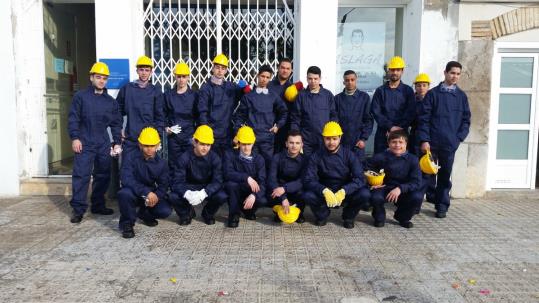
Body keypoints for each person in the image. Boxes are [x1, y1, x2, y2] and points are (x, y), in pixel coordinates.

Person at [67, 62, 122, 223]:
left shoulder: (110, 102)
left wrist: (116, 142)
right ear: (91, 77)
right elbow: (73, 119)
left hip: (103, 142)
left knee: (103, 175)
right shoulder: (80, 97)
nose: (101, 81)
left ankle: (98, 205)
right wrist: (75, 137)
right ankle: (78, 209)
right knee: (81, 175)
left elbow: (116, 123)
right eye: (98, 77)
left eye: (104, 78)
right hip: (84, 141)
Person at [417, 61, 471, 218]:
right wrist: (424, 140)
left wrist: (458, 139)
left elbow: (466, 121)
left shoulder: (461, 97)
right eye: (452, 73)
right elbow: (423, 119)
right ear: (445, 73)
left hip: (449, 144)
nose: (455, 76)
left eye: (458, 74)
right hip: (431, 144)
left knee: (444, 176)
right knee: (426, 174)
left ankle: (441, 205)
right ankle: (415, 204)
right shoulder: (433, 94)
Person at [303, 121, 370, 228]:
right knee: (307, 195)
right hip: (325, 192)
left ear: (340, 138)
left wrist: (344, 190)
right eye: (328, 139)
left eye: (334, 139)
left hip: (344, 192)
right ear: (323, 138)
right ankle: (322, 214)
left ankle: (348, 216)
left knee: (364, 194)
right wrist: (323, 190)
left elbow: (360, 178)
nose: (331, 142)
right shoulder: (316, 155)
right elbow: (308, 179)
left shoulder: (349, 155)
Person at [117, 127, 172, 238]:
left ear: (157, 145)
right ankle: (127, 224)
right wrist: (146, 192)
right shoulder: (130, 158)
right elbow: (126, 178)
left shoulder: (162, 164)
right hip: (133, 192)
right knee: (124, 193)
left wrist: (156, 196)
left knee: (165, 210)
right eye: (146, 146)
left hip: (149, 196)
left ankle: (145, 214)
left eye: (152, 146)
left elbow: (163, 185)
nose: (149, 149)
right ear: (140, 145)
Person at [169, 125, 227, 226]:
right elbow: (177, 181)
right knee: (173, 196)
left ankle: (207, 214)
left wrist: (205, 192)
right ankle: (186, 214)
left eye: (208, 145)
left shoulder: (215, 158)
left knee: (221, 195)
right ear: (195, 142)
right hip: (189, 186)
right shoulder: (184, 158)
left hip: (206, 186)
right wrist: (186, 193)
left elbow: (218, 181)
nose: (205, 148)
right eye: (202, 144)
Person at [233, 64, 288, 168]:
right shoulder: (248, 97)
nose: (264, 79)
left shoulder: (273, 96)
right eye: (262, 76)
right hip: (251, 139)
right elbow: (240, 116)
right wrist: (238, 133)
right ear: (257, 76)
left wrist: (278, 126)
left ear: (270, 79)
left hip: (267, 138)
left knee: (268, 166)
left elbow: (284, 111)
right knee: (250, 166)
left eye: (267, 77)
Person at [367, 130, 422, 228]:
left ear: (406, 144)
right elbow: (366, 169)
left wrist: (400, 188)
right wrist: (372, 182)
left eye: (401, 142)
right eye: (394, 142)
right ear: (388, 143)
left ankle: (402, 217)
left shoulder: (413, 160)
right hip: (384, 187)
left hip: (403, 190)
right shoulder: (380, 157)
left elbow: (417, 182)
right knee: (375, 196)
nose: (397, 145)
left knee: (417, 196)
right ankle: (379, 217)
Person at [117, 55, 165, 167]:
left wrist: (158, 137)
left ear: (151, 72)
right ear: (137, 71)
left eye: (147, 70)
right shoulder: (127, 89)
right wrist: (119, 129)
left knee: (148, 171)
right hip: (131, 139)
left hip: (149, 141)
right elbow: (117, 110)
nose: (144, 73)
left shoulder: (155, 91)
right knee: (128, 170)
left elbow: (160, 116)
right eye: (141, 70)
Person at [198, 54, 246, 156]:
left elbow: (246, 97)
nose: (220, 71)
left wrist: (245, 88)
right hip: (211, 135)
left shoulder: (231, 87)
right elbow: (202, 112)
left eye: (223, 68)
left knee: (226, 164)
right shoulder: (206, 88)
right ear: (212, 68)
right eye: (217, 67)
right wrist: (206, 132)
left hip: (226, 134)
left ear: (226, 70)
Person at [370, 56, 415, 153]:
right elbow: (376, 111)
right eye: (392, 70)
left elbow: (410, 112)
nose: (395, 72)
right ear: (388, 71)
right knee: (380, 164)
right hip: (383, 134)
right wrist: (390, 127)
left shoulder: (408, 91)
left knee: (401, 165)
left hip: (402, 135)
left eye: (398, 70)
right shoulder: (380, 91)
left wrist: (397, 129)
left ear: (402, 71)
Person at [224, 126, 267, 228]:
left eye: (249, 144)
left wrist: (254, 195)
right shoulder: (229, 154)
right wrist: (246, 177)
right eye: (243, 144)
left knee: (263, 200)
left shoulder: (259, 159)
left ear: (253, 143)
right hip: (236, 190)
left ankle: (248, 211)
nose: (246, 147)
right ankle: (234, 215)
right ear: (238, 143)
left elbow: (263, 182)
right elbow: (227, 173)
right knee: (231, 184)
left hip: (249, 191)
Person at [290, 66, 337, 156]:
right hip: (306, 140)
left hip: (324, 139)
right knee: (307, 165)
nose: (313, 81)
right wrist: (296, 138)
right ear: (307, 79)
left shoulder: (327, 95)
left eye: (316, 79)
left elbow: (333, 116)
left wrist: (332, 137)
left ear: (320, 78)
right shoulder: (301, 96)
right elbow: (295, 118)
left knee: (324, 165)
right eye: (310, 78)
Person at [267, 130, 308, 224]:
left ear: (302, 144)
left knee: (304, 192)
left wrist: (285, 188)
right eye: (291, 142)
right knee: (271, 191)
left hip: (295, 190)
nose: (294, 146)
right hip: (279, 191)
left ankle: (299, 213)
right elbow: (271, 179)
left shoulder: (306, 160)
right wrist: (283, 198)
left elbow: (302, 180)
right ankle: (278, 212)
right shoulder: (277, 157)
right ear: (286, 144)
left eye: (297, 143)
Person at [164, 62, 198, 171]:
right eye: (179, 76)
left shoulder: (194, 96)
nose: (181, 79)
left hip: (190, 136)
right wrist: (166, 128)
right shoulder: (168, 95)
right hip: (174, 137)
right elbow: (163, 114)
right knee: (174, 165)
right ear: (175, 77)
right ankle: (174, 187)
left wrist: (197, 135)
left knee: (190, 164)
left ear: (188, 77)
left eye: (184, 76)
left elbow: (199, 116)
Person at [408, 73, 435, 212]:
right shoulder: (412, 100)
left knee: (428, 168)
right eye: (418, 85)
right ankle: (415, 199)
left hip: (429, 138)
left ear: (428, 86)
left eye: (424, 85)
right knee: (415, 168)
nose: (421, 88)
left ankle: (429, 195)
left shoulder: (433, 99)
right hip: (414, 136)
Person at [334, 70, 373, 163]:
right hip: (341, 142)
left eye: (352, 80)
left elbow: (368, 120)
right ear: (343, 82)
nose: (350, 82)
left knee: (358, 169)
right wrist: (335, 139)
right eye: (347, 80)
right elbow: (334, 120)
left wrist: (363, 139)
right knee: (341, 168)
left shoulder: (364, 98)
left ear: (356, 80)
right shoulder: (337, 99)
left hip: (357, 142)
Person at [268, 58, 293, 151]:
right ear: (278, 68)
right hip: (270, 127)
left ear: (291, 71)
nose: (285, 70)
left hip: (287, 128)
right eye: (282, 67)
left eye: (288, 68)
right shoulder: (268, 85)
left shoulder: (294, 88)